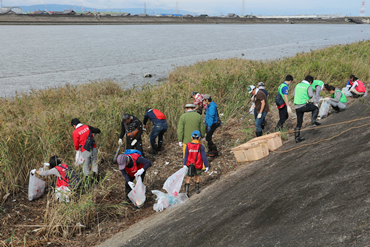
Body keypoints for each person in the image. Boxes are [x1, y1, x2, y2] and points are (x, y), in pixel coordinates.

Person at [293, 75, 321, 143]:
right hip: (303, 105)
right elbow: (311, 95)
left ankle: (297, 138)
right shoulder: (308, 86)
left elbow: (293, 94)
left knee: (299, 122)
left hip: (297, 106)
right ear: (310, 82)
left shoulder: (297, 85)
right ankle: (313, 120)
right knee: (315, 108)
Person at [183, 130, 209, 197]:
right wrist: (206, 166)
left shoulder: (188, 145)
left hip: (190, 164)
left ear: (191, 137)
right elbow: (204, 157)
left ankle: (186, 191)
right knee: (197, 176)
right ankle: (197, 189)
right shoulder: (201, 146)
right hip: (198, 164)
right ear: (199, 137)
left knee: (188, 177)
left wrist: (184, 164)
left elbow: (186, 155)